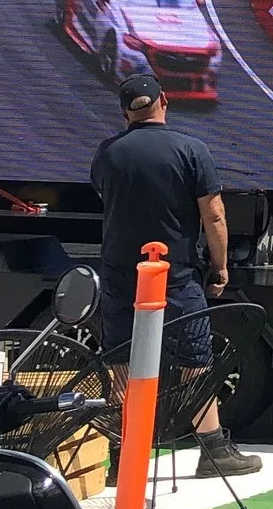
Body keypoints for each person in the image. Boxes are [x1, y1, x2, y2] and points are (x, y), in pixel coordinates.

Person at [92, 75, 262, 478]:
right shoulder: (191, 149)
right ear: (164, 101)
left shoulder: (107, 153)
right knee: (194, 359)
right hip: (176, 273)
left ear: (124, 111)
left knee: (120, 359)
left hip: (120, 272)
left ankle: (122, 453)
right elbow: (214, 214)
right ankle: (213, 448)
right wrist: (220, 266)